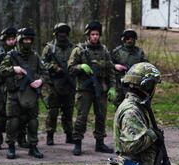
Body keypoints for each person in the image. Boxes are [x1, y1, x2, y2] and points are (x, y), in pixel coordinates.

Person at [67, 21, 115, 156]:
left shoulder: (104, 50)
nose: (95, 37)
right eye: (92, 34)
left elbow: (111, 70)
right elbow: (70, 68)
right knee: (82, 117)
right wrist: (80, 67)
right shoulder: (79, 50)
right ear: (88, 35)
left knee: (101, 116)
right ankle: (77, 143)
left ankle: (100, 143)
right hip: (84, 89)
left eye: (97, 34)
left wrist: (112, 88)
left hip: (101, 89)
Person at [0, 28, 45, 159]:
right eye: (25, 40)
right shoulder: (11, 55)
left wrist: (40, 81)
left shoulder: (35, 57)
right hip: (14, 94)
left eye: (30, 40)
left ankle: (33, 146)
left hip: (31, 94)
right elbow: (0, 71)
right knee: (12, 121)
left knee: (33, 121)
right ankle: (11, 147)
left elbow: (45, 72)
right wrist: (13, 69)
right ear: (20, 40)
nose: (27, 42)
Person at [42, 23, 75, 146]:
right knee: (53, 111)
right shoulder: (49, 48)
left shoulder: (73, 48)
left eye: (64, 34)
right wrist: (54, 67)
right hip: (53, 85)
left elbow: (77, 62)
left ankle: (69, 135)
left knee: (68, 111)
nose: (62, 36)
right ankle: (50, 135)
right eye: (60, 34)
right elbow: (42, 64)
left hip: (68, 84)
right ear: (55, 34)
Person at [0, 27, 17, 150]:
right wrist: (8, 70)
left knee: (18, 115)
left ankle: (20, 138)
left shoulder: (19, 52)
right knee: (1, 114)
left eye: (13, 39)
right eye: (9, 39)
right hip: (0, 88)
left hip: (15, 88)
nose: (12, 42)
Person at [111, 29, 147, 108]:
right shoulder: (117, 52)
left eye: (132, 38)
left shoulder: (139, 52)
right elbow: (109, 66)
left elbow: (146, 66)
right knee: (119, 107)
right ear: (124, 39)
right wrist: (115, 66)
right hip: (120, 84)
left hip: (135, 85)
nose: (130, 40)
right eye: (127, 38)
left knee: (135, 107)